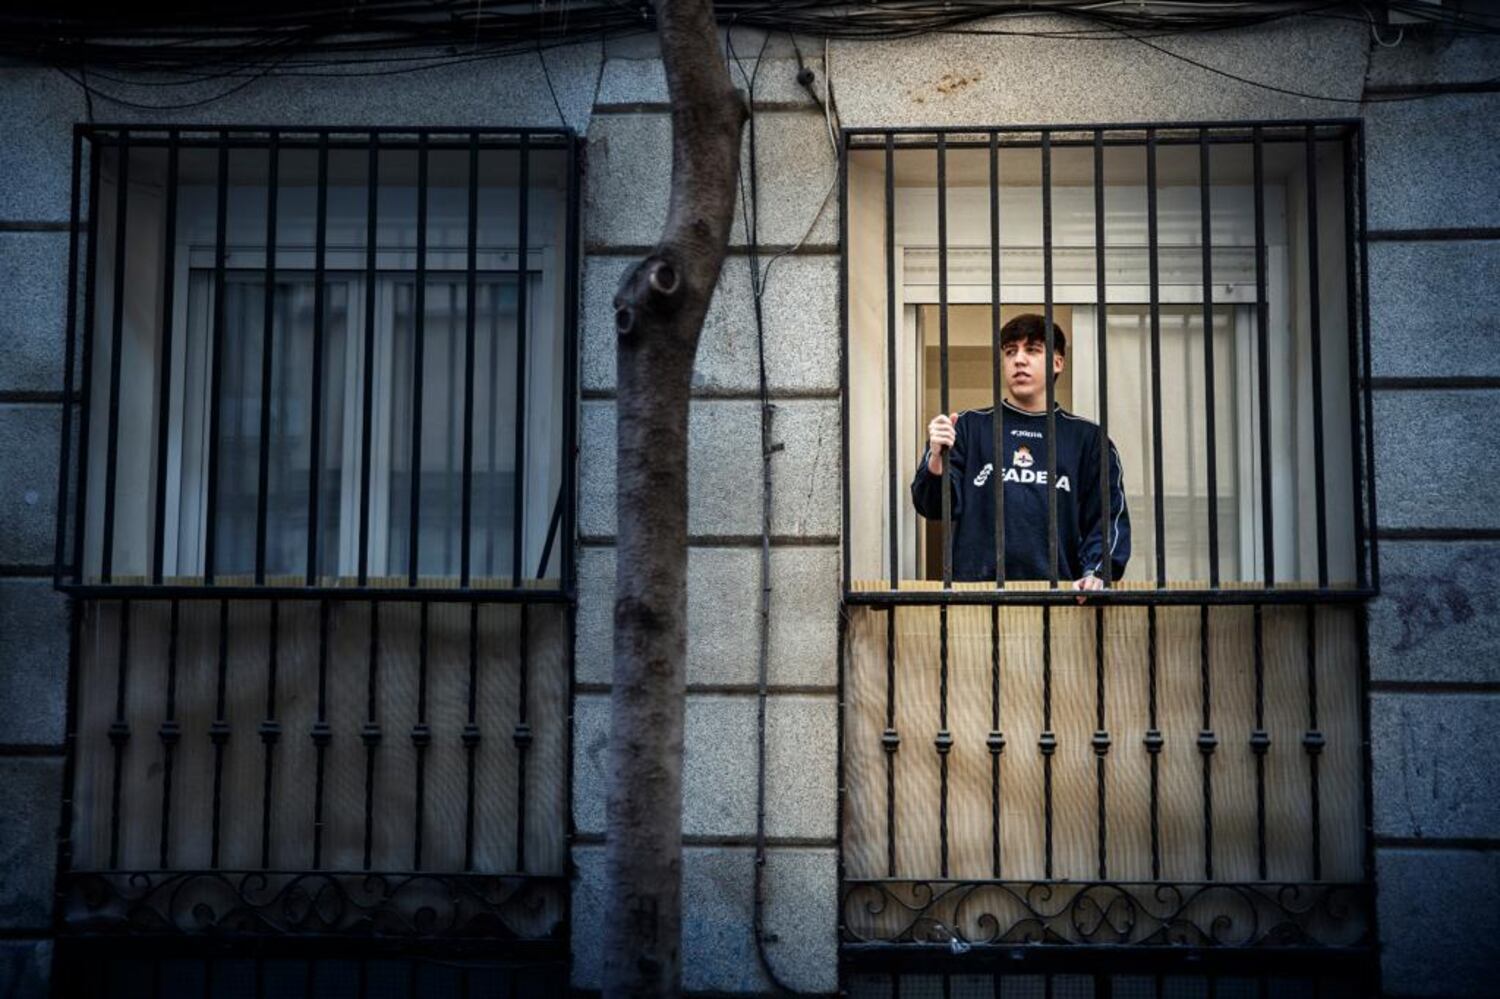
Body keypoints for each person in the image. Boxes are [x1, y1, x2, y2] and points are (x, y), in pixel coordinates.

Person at [911, 313, 1131, 592]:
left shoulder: (1087, 439)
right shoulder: (967, 427)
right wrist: (936, 460)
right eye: (1010, 352)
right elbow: (930, 506)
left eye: (1033, 350)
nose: (1019, 360)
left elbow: (1108, 518)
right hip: (976, 599)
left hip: (1063, 601)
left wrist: (1098, 572)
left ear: (1057, 362)